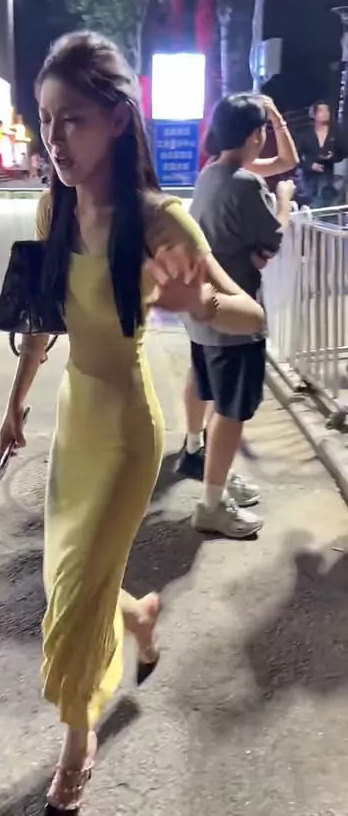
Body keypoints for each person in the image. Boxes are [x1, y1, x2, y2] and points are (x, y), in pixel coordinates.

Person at [0, 32, 264, 814]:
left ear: (117, 120)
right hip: (74, 420)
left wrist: (198, 301)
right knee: (68, 581)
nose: (55, 139)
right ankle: (141, 615)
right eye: (47, 120)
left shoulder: (158, 220)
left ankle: (76, 747)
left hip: (124, 434)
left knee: (72, 600)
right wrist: (16, 401)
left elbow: (249, 315)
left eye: (72, 119)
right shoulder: (52, 206)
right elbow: (41, 320)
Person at [176, 93, 296, 539]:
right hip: (234, 316)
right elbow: (273, 240)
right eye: (263, 129)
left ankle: (206, 466)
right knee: (230, 411)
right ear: (254, 136)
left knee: (207, 387)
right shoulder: (246, 184)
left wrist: (273, 116)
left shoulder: (211, 172)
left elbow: (285, 161)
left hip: (202, 310)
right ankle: (211, 505)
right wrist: (284, 200)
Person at [297, 100, 347, 208]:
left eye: (327, 110)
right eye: (321, 110)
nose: (325, 113)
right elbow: (297, 156)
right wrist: (310, 165)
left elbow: (344, 152)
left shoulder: (336, 133)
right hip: (309, 179)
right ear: (313, 114)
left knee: (327, 200)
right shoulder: (305, 135)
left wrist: (332, 157)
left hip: (331, 176)